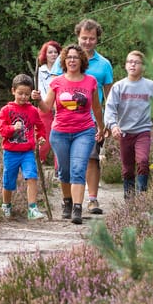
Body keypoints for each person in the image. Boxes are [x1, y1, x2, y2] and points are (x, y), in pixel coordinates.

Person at [48, 19, 113, 215]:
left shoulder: (104, 65)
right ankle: (68, 201)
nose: (87, 42)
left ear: (97, 39)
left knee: (91, 159)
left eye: (91, 38)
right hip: (65, 121)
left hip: (91, 120)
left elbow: (110, 95)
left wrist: (107, 122)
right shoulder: (65, 60)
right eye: (84, 38)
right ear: (78, 37)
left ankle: (92, 200)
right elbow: (53, 91)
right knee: (66, 166)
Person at [36, 45, 104, 224]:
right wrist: (38, 100)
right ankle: (67, 202)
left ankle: (77, 208)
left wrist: (101, 127)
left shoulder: (91, 81)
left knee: (78, 169)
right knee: (64, 171)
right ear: (64, 61)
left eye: (75, 57)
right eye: (69, 58)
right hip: (60, 133)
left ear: (82, 60)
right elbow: (46, 108)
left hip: (85, 131)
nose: (72, 60)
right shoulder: (57, 82)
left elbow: (96, 108)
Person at [104, 50, 153, 199]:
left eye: (136, 62)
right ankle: (129, 200)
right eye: (130, 62)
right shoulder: (119, 87)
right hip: (124, 133)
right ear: (125, 65)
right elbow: (110, 108)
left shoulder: (150, 86)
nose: (133, 65)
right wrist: (113, 125)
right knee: (127, 169)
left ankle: (142, 197)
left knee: (142, 161)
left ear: (143, 67)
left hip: (143, 131)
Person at [0, 74, 48, 221]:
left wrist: (41, 137)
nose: (24, 97)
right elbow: (1, 130)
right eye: (20, 93)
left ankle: (32, 209)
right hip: (10, 152)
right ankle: (6, 205)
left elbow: (40, 126)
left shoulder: (32, 110)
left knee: (32, 177)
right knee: (8, 181)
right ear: (13, 91)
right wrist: (13, 128)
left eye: (27, 94)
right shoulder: (6, 110)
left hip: (27, 152)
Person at [36, 40, 61, 164]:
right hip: (45, 109)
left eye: (56, 52)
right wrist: (49, 104)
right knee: (44, 141)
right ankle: (37, 164)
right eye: (50, 52)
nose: (53, 55)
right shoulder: (40, 71)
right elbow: (40, 89)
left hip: (61, 110)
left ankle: (58, 171)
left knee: (59, 141)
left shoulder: (64, 71)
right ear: (45, 54)